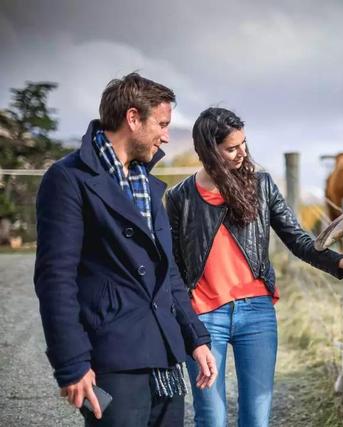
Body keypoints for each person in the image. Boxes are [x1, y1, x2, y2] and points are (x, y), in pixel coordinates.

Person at [165, 107, 343, 427]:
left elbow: (297, 238)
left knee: (257, 416)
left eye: (244, 144)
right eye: (232, 148)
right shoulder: (181, 197)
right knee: (211, 416)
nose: (243, 153)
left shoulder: (261, 185)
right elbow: (175, 266)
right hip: (204, 317)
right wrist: (185, 320)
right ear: (210, 150)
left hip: (257, 314)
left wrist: (340, 260)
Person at [34, 73, 217, 427]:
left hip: (164, 355)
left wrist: (195, 337)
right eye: (162, 124)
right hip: (113, 357)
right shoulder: (68, 178)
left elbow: (169, 274)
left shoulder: (146, 183)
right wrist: (72, 362)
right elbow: (55, 279)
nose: (166, 135)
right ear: (133, 118)